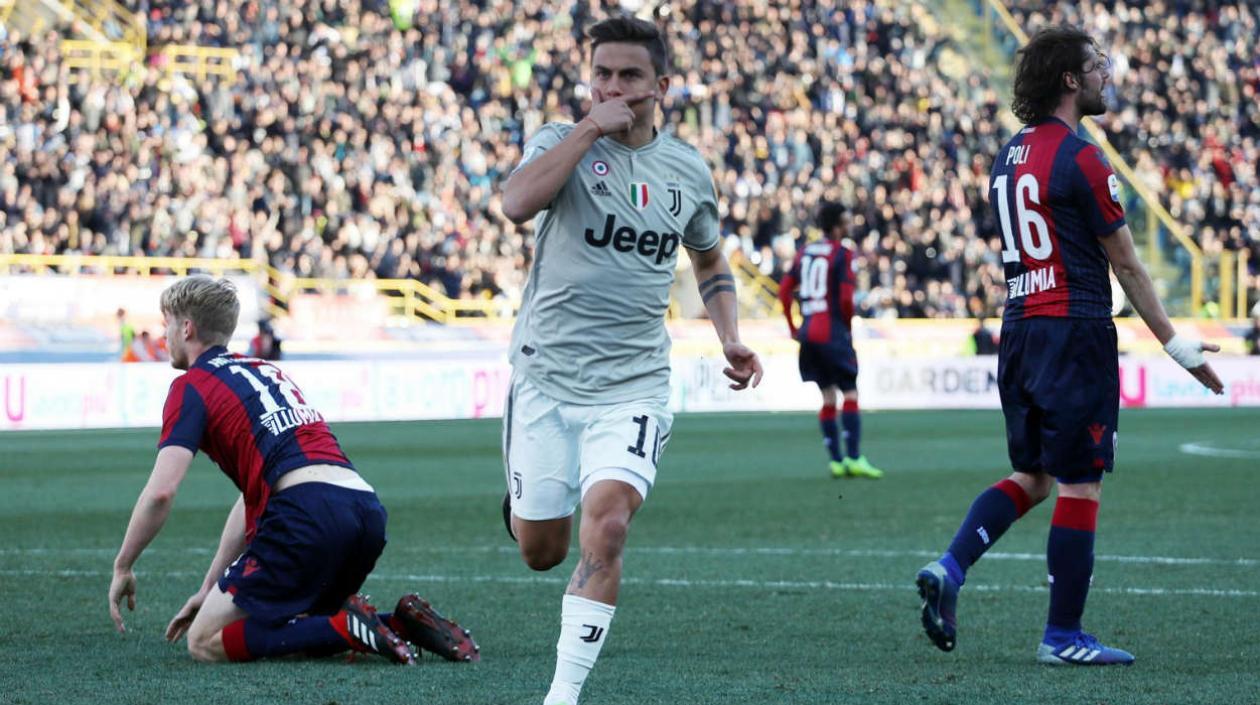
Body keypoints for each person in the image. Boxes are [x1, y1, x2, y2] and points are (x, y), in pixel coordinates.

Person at [915, 25, 1224, 667]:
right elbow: (1129, 266)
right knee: (1081, 484)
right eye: (1098, 64)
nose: (1108, 73)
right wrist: (1177, 346)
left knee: (1033, 477)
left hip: (1020, 329)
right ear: (1070, 79)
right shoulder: (1083, 156)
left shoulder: (1008, 154)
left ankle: (951, 565)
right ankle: (1063, 636)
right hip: (1074, 329)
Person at [498, 16, 763, 705]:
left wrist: (728, 332)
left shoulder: (685, 169)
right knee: (540, 549)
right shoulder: (561, 141)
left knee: (609, 523)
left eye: (629, 76)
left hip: (634, 383)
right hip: (547, 375)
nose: (613, 87)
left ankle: (562, 694)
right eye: (602, 74)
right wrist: (589, 129)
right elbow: (515, 203)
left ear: (660, 86)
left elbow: (709, 258)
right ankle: (527, 505)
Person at [108, 275, 479, 665]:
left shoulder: (192, 385)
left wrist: (123, 565)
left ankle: (345, 627)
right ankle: (401, 625)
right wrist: (209, 589)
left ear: (186, 327)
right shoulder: (267, 371)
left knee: (204, 641)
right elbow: (252, 497)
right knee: (291, 624)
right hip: (365, 513)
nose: (164, 335)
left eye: (166, 323)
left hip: (307, 515)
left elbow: (161, 492)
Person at [777, 202, 883, 479]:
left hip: (808, 333)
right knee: (849, 392)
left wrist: (792, 325)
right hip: (832, 331)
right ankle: (854, 458)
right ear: (836, 225)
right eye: (846, 221)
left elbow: (784, 290)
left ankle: (836, 461)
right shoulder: (842, 254)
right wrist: (845, 328)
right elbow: (847, 299)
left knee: (826, 396)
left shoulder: (804, 252)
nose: (849, 226)